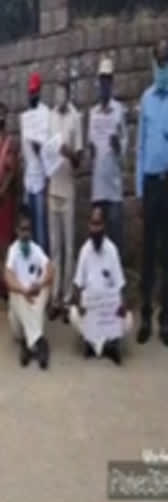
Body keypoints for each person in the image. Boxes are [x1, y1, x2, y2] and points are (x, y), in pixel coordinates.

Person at [68, 206, 132, 365]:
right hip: (91, 312)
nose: (95, 228)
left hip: (108, 314)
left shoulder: (112, 250)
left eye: (99, 224)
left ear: (104, 225)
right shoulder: (84, 250)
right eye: (93, 224)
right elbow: (77, 285)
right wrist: (78, 303)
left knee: (129, 320)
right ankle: (99, 344)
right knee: (73, 313)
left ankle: (105, 344)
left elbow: (120, 285)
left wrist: (123, 304)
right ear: (88, 225)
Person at [135, 38, 168, 345]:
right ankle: (145, 315)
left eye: (167, 59)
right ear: (153, 63)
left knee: (166, 254)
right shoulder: (146, 99)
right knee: (147, 254)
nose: (163, 65)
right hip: (151, 184)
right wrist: (139, 191)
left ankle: (165, 318)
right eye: (159, 60)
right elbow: (141, 146)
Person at [47, 66, 83, 320]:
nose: (60, 91)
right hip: (52, 188)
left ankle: (69, 298)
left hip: (68, 188)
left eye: (64, 87)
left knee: (69, 247)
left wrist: (68, 152)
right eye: (57, 87)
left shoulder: (76, 118)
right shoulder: (50, 116)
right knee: (54, 247)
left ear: (69, 90)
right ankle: (55, 297)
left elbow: (79, 160)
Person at [4, 207, 55, 369]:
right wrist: (23, 290)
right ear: (17, 231)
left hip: (34, 299)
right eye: (22, 230)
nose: (26, 234)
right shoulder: (13, 250)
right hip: (19, 308)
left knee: (45, 287)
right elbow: (8, 276)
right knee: (17, 294)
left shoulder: (36, 249)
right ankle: (39, 342)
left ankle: (29, 344)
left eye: (28, 229)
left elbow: (50, 269)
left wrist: (38, 284)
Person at [89, 57, 127, 252]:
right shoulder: (93, 113)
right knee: (98, 238)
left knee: (116, 238)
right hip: (98, 187)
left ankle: (117, 279)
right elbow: (91, 150)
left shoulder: (119, 111)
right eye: (102, 79)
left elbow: (125, 148)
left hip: (113, 188)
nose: (104, 84)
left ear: (112, 82)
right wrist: (91, 152)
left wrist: (118, 146)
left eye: (107, 80)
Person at [0, 101, 19, 299]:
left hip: (7, 197)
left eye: (3, 115)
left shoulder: (11, 142)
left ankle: (7, 283)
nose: (1, 118)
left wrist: (3, 188)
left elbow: (14, 169)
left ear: (6, 118)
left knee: (7, 238)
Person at [20, 71, 52, 253]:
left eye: (34, 92)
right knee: (28, 228)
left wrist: (41, 149)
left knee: (40, 228)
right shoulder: (26, 117)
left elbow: (49, 147)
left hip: (40, 180)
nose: (32, 95)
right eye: (29, 92)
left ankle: (43, 269)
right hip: (28, 181)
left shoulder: (45, 114)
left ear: (40, 91)